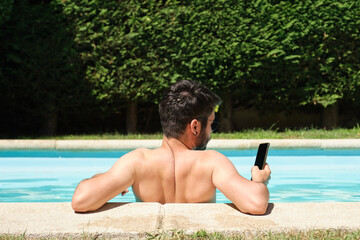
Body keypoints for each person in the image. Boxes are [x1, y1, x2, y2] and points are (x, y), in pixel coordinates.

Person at [71, 80, 271, 214]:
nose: (211, 130)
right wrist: (258, 181)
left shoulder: (136, 162)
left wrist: (106, 180)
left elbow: (80, 200)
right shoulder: (212, 163)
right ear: (195, 126)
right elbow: (256, 203)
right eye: (212, 123)